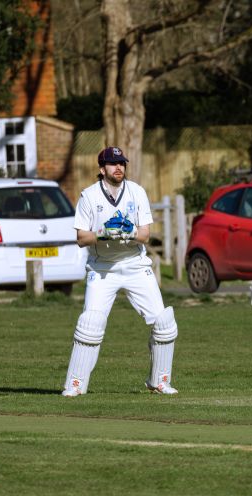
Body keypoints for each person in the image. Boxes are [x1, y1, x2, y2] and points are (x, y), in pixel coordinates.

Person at [61, 147, 178, 396]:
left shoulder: (136, 191)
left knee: (164, 322)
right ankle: (75, 385)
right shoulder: (89, 196)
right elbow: (81, 238)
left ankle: (159, 381)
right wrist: (104, 233)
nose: (119, 168)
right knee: (90, 324)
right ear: (102, 168)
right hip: (102, 268)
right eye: (113, 164)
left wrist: (129, 231)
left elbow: (145, 235)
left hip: (135, 265)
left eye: (122, 163)